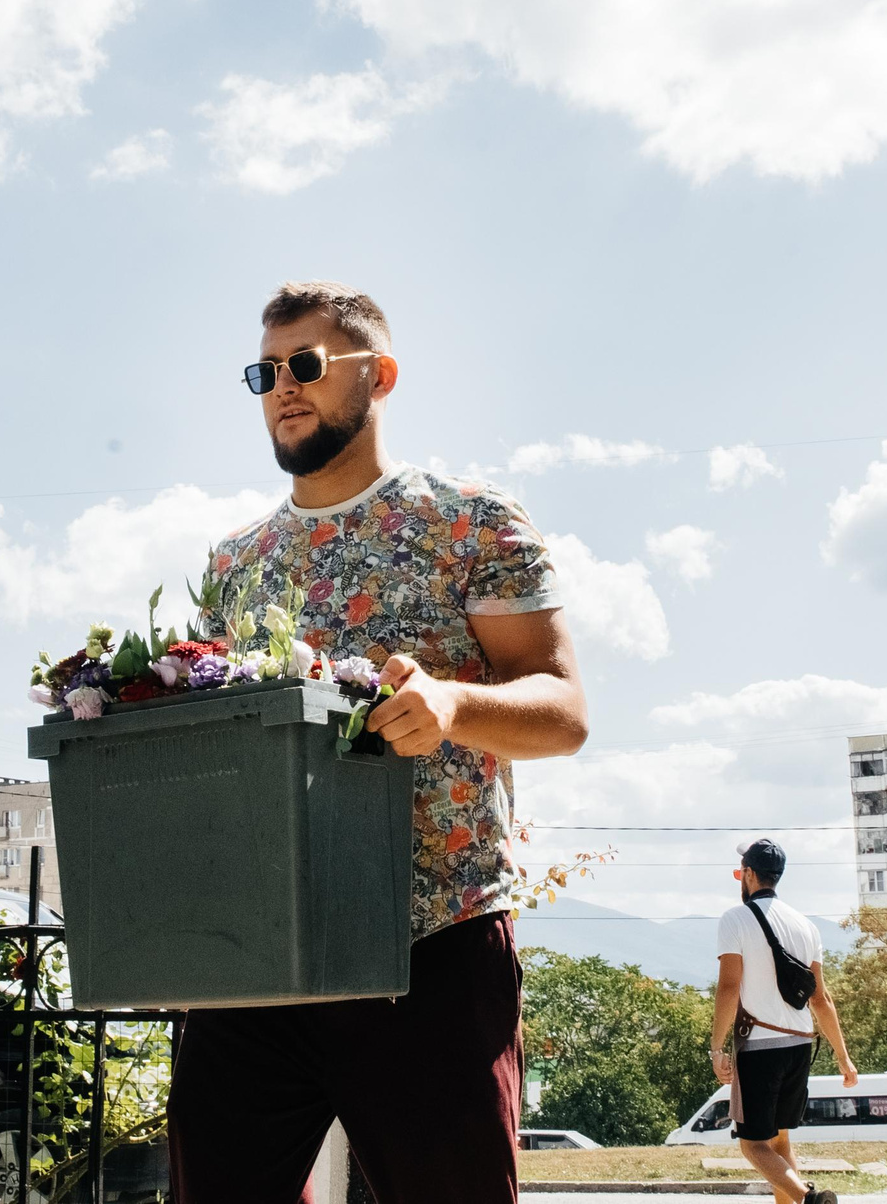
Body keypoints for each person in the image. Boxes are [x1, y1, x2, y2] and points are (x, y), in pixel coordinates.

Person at [167, 281, 591, 1204]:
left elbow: (564, 710)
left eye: (307, 365)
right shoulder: (232, 563)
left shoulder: (471, 521)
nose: (283, 387)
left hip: (429, 941)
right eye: (265, 371)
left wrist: (451, 705)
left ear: (380, 374)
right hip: (262, 954)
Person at [710, 839, 857, 1204]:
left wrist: (716, 1048)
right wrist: (842, 1055)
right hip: (800, 1044)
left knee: (754, 1147)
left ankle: (809, 1199)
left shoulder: (735, 919)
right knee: (780, 1141)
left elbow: (729, 987)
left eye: (739, 871)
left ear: (747, 874)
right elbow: (821, 999)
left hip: (760, 1048)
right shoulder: (805, 926)